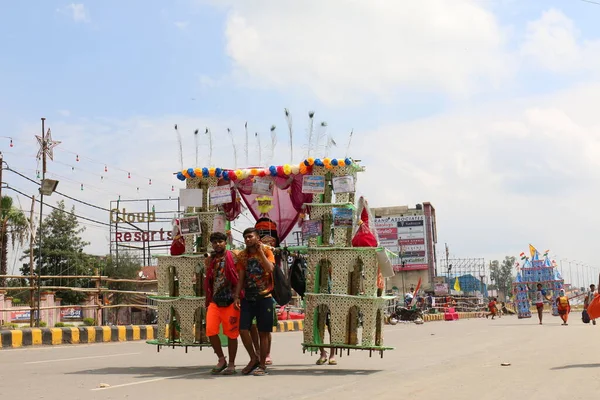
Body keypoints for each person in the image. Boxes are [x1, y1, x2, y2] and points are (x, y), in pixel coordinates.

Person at [234, 227, 275, 376]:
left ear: (257, 238)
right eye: (245, 237)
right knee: (243, 329)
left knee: (263, 332)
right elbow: (241, 278)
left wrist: (261, 253)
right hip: (248, 298)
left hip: (265, 297)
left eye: (250, 237)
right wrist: (237, 296)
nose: (247, 240)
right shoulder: (243, 256)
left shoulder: (268, 251)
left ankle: (262, 365)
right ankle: (254, 358)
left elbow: (270, 269)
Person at [204, 232, 240, 375]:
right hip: (214, 301)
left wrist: (237, 296)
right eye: (214, 242)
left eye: (220, 241)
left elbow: (239, 277)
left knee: (232, 334)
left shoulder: (234, 257)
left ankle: (231, 363)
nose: (217, 244)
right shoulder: (211, 260)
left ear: (225, 242)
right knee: (211, 331)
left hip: (231, 301)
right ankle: (221, 359)